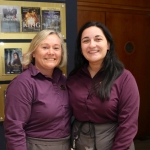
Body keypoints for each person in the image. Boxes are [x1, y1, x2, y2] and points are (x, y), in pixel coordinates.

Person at [67, 21, 140, 150]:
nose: (92, 45)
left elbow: (128, 125)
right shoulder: (73, 78)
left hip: (115, 144)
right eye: (85, 41)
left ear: (108, 45)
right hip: (79, 143)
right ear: (80, 47)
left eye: (98, 39)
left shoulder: (124, 78)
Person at [4, 29, 71, 150]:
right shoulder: (22, 84)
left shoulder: (64, 81)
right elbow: (14, 129)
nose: (51, 52)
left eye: (56, 48)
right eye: (45, 47)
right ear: (33, 52)